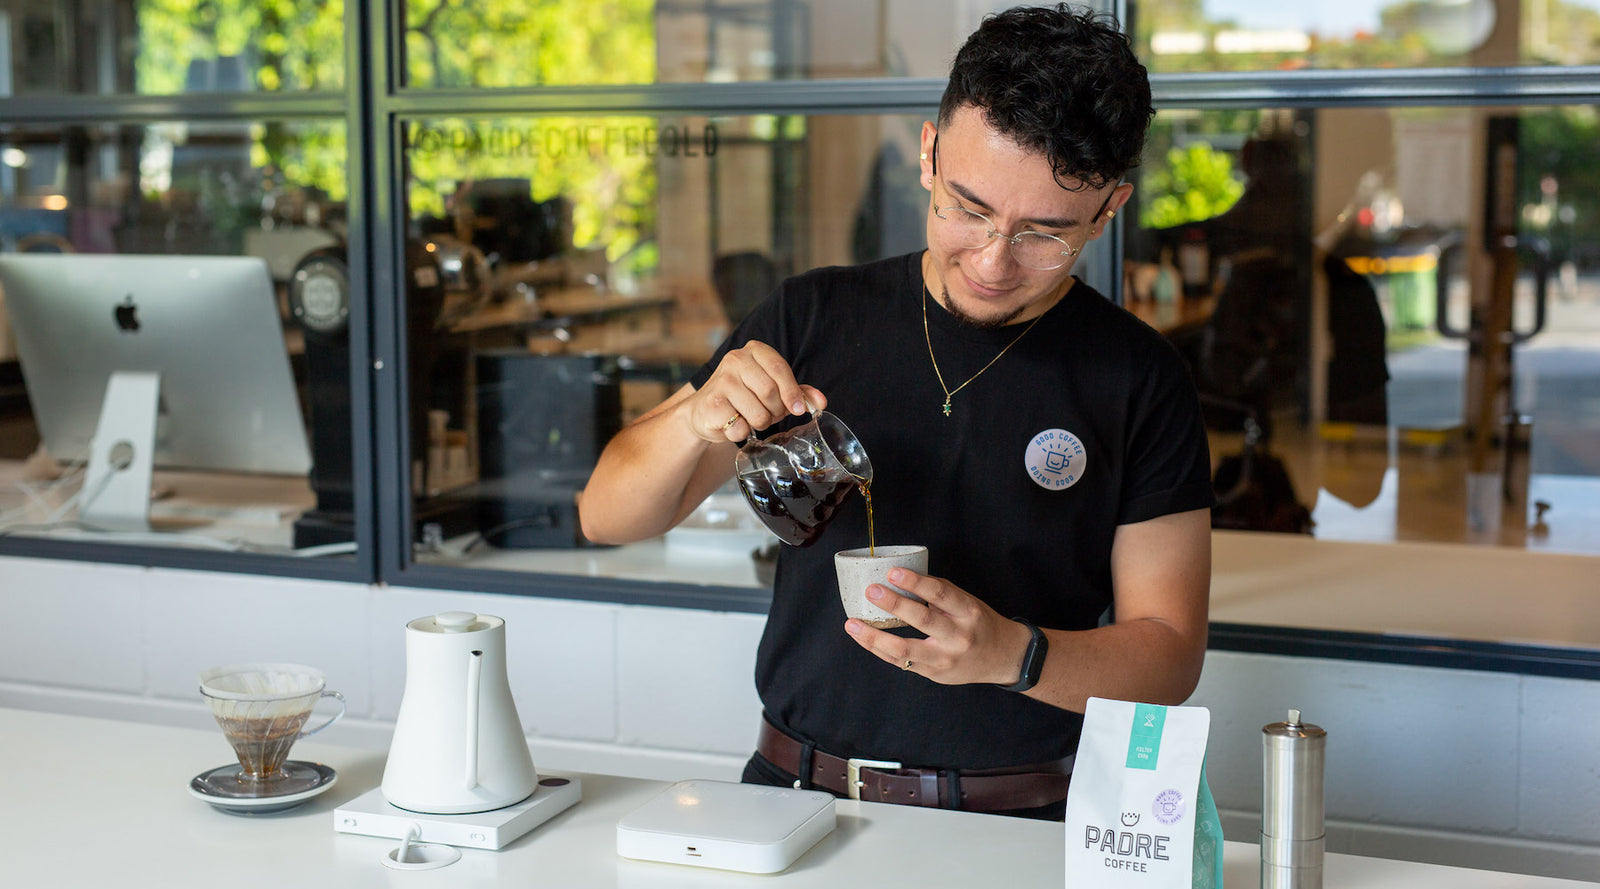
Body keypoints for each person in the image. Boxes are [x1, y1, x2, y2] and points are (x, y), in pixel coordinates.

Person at [579, 3, 1213, 820]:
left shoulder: (1138, 378)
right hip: (794, 798)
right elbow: (605, 517)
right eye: (968, 208)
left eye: (1043, 235)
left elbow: (1169, 655)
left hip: (1018, 820)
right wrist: (691, 419)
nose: (992, 261)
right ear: (928, 153)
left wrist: (1014, 655)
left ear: (1109, 208)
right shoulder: (812, 317)